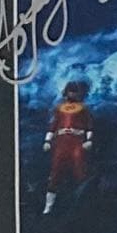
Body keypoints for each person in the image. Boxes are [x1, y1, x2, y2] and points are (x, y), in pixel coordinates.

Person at [42, 80, 93, 214]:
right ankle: (48, 206)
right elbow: (53, 126)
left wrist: (89, 140)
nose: (72, 94)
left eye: (74, 92)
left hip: (77, 142)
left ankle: (81, 205)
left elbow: (89, 125)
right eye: (70, 91)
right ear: (66, 92)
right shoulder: (59, 108)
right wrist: (47, 141)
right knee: (55, 171)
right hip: (61, 142)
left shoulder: (83, 108)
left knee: (79, 169)